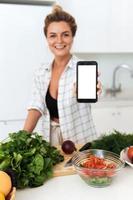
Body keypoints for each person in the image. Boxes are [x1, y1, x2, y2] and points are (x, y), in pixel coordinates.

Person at [23, 5, 102, 146]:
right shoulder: (41, 72)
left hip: (80, 142)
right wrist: (22, 138)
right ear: (47, 39)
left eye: (65, 34)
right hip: (50, 140)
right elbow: (36, 106)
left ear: (72, 37)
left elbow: (97, 93)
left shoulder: (82, 69)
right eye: (53, 35)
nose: (59, 41)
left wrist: (95, 89)